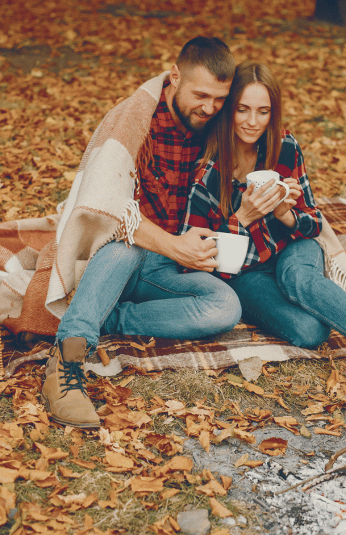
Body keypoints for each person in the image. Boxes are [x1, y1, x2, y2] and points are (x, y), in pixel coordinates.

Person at [41, 37, 242, 429]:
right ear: (174, 76)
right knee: (125, 248)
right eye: (201, 95)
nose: (210, 107)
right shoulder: (136, 119)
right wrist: (173, 246)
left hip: (166, 268)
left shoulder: (216, 125)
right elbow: (109, 207)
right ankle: (66, 361)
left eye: (219, 99)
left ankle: (110, 317)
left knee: (226, 307)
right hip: (117, 257)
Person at [182, 61, 346, 373]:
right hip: (245, 273)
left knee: (297, 278)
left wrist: (286, 216)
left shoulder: (284, 146)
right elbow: (198, 258)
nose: (252, 122)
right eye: (242, 110)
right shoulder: (208, 171)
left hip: (292, 248)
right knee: (310, 332)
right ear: (228, 110)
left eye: (263, 111)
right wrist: (242, 218)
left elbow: (313, 222)